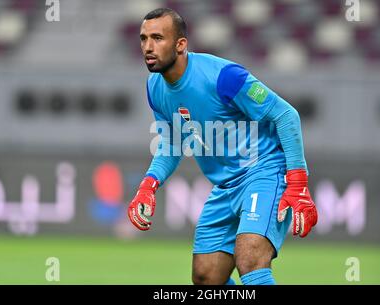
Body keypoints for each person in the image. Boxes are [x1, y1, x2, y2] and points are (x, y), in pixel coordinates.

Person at [128, 8, 318, 285]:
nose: (148, 46)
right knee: (206, 277)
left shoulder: (224, 76)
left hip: (264, 171)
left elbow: (286, 115)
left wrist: (298, 183)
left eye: (158, 38)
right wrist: (148, 185)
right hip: (226, 186)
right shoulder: (154, 87)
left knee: (251, 260)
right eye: (144, 38)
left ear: (180, 44)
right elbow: (172, 142)